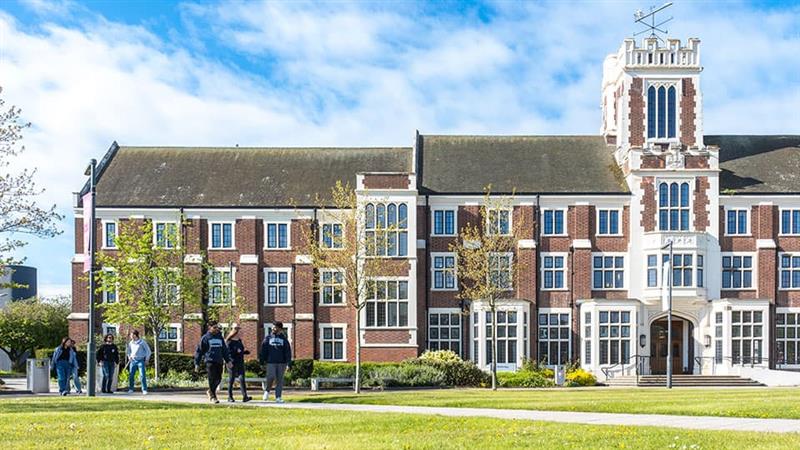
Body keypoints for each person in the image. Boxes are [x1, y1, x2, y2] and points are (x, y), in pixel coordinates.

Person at [194, 321, 232, 404]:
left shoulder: (220, 338)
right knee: (212, 379)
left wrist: (228, 361)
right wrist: (197, 363)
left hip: (219, 361)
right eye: (214, 327)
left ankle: (210, 391)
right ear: (209, 328)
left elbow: (224, 350)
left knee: (218, 379)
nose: (216, 329)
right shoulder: (205, 338)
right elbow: (199, 351)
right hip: (210, 361)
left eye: (217, 327)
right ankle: (213, 397)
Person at [259, 321, 292, 403]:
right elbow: (263, 350)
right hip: (270, 362)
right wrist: (262, 361)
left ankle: (278, 397)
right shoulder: (268, 338)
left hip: (282, 363)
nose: (273, 328)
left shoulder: (284, 339)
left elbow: (287, 352)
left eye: (275, 327)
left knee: (279, 380)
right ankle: (267, 391)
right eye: (273, 327)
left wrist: (288, 363)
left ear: (280, 329)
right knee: (271, 377)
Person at [225, 324, 252, 403]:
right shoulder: (229, 341)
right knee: (231, 379)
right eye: (237, 329)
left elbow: (240, 350)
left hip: (240, 362)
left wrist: (244, 352)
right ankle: (230, 397)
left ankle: (245, 396)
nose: (239, 331)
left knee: (242, 379)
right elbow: (227, 353)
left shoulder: (239, 341)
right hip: (232, 363)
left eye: (239, 329)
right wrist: (236, 352)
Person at [126, 330, 151, 395]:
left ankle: (144, 389)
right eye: (131, 335)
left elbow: (148, 351)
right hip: (133, 361)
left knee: (142, 375)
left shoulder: (142, 342)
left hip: (141, 361)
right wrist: (129, 357)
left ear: (135, 335)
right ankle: (131, 389)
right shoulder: (131, 343)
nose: (131, 336)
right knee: (131, 375)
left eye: (132, 335)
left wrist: (147, 359)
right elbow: (128, 351)